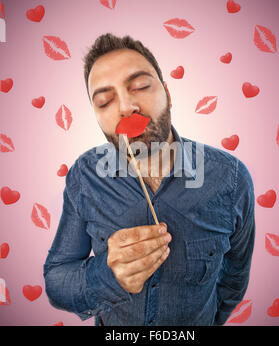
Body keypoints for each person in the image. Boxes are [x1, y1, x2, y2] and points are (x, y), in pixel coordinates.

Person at [43, 33, 256, 326]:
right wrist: (106, 276)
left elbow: (234, 278)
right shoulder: (85, 176)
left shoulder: (230, 178)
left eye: (141, 86)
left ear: (167, 93)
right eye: (105, 101)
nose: (126, 107)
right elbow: (57, 278)